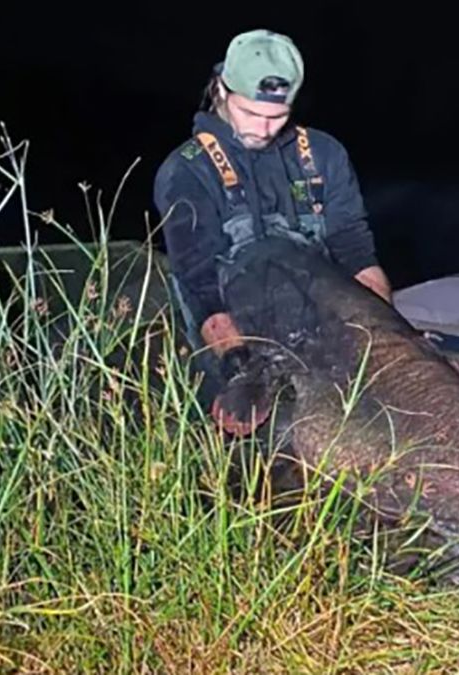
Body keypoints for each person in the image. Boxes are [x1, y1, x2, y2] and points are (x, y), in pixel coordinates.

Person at [152, 28, 392, 435]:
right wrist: (238, 365)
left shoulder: (324, 154)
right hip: (230, 328)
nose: (264, 129)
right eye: (251, 114)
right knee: (256, 429)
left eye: (277, 117)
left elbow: (355, 249)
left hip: (322, 320)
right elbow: (199, 283)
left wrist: (392, 339)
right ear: (223, 91)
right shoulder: (186, 170)